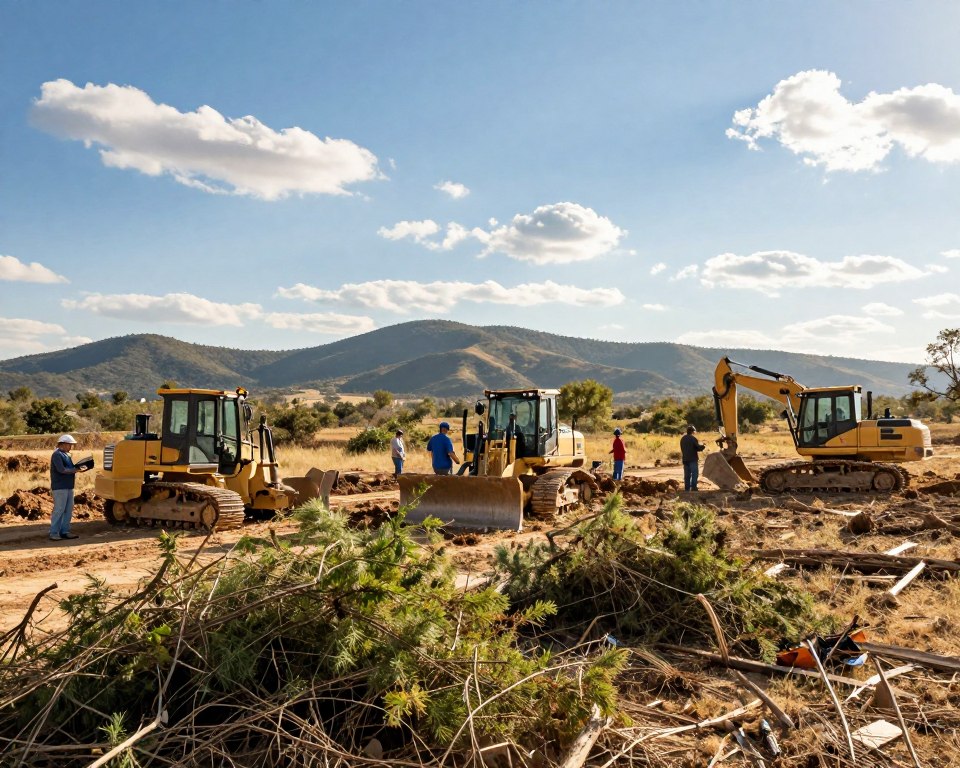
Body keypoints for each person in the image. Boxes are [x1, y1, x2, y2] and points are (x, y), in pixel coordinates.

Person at [49, 434, 89, 541]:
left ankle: (65, 531)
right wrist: (76, 470)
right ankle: (54, 533)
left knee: (68, 510)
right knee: (59, 509)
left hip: (68, 486)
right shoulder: (57, 455)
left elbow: (69, 468)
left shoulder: (66, 455)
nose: (71, 447)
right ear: (63, 444)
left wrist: (78, 468)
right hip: (60, 487)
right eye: (69, 444)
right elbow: (61, 470)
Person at [679, 425, 706, 492]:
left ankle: (687, 488)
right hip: (692, 459)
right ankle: (693, 487)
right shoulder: (693, 438)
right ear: (692, 431)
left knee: (687, 475)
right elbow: (698, 448)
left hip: (685, 459)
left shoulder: (682, 439)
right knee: (694, 473)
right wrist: (703, 446)